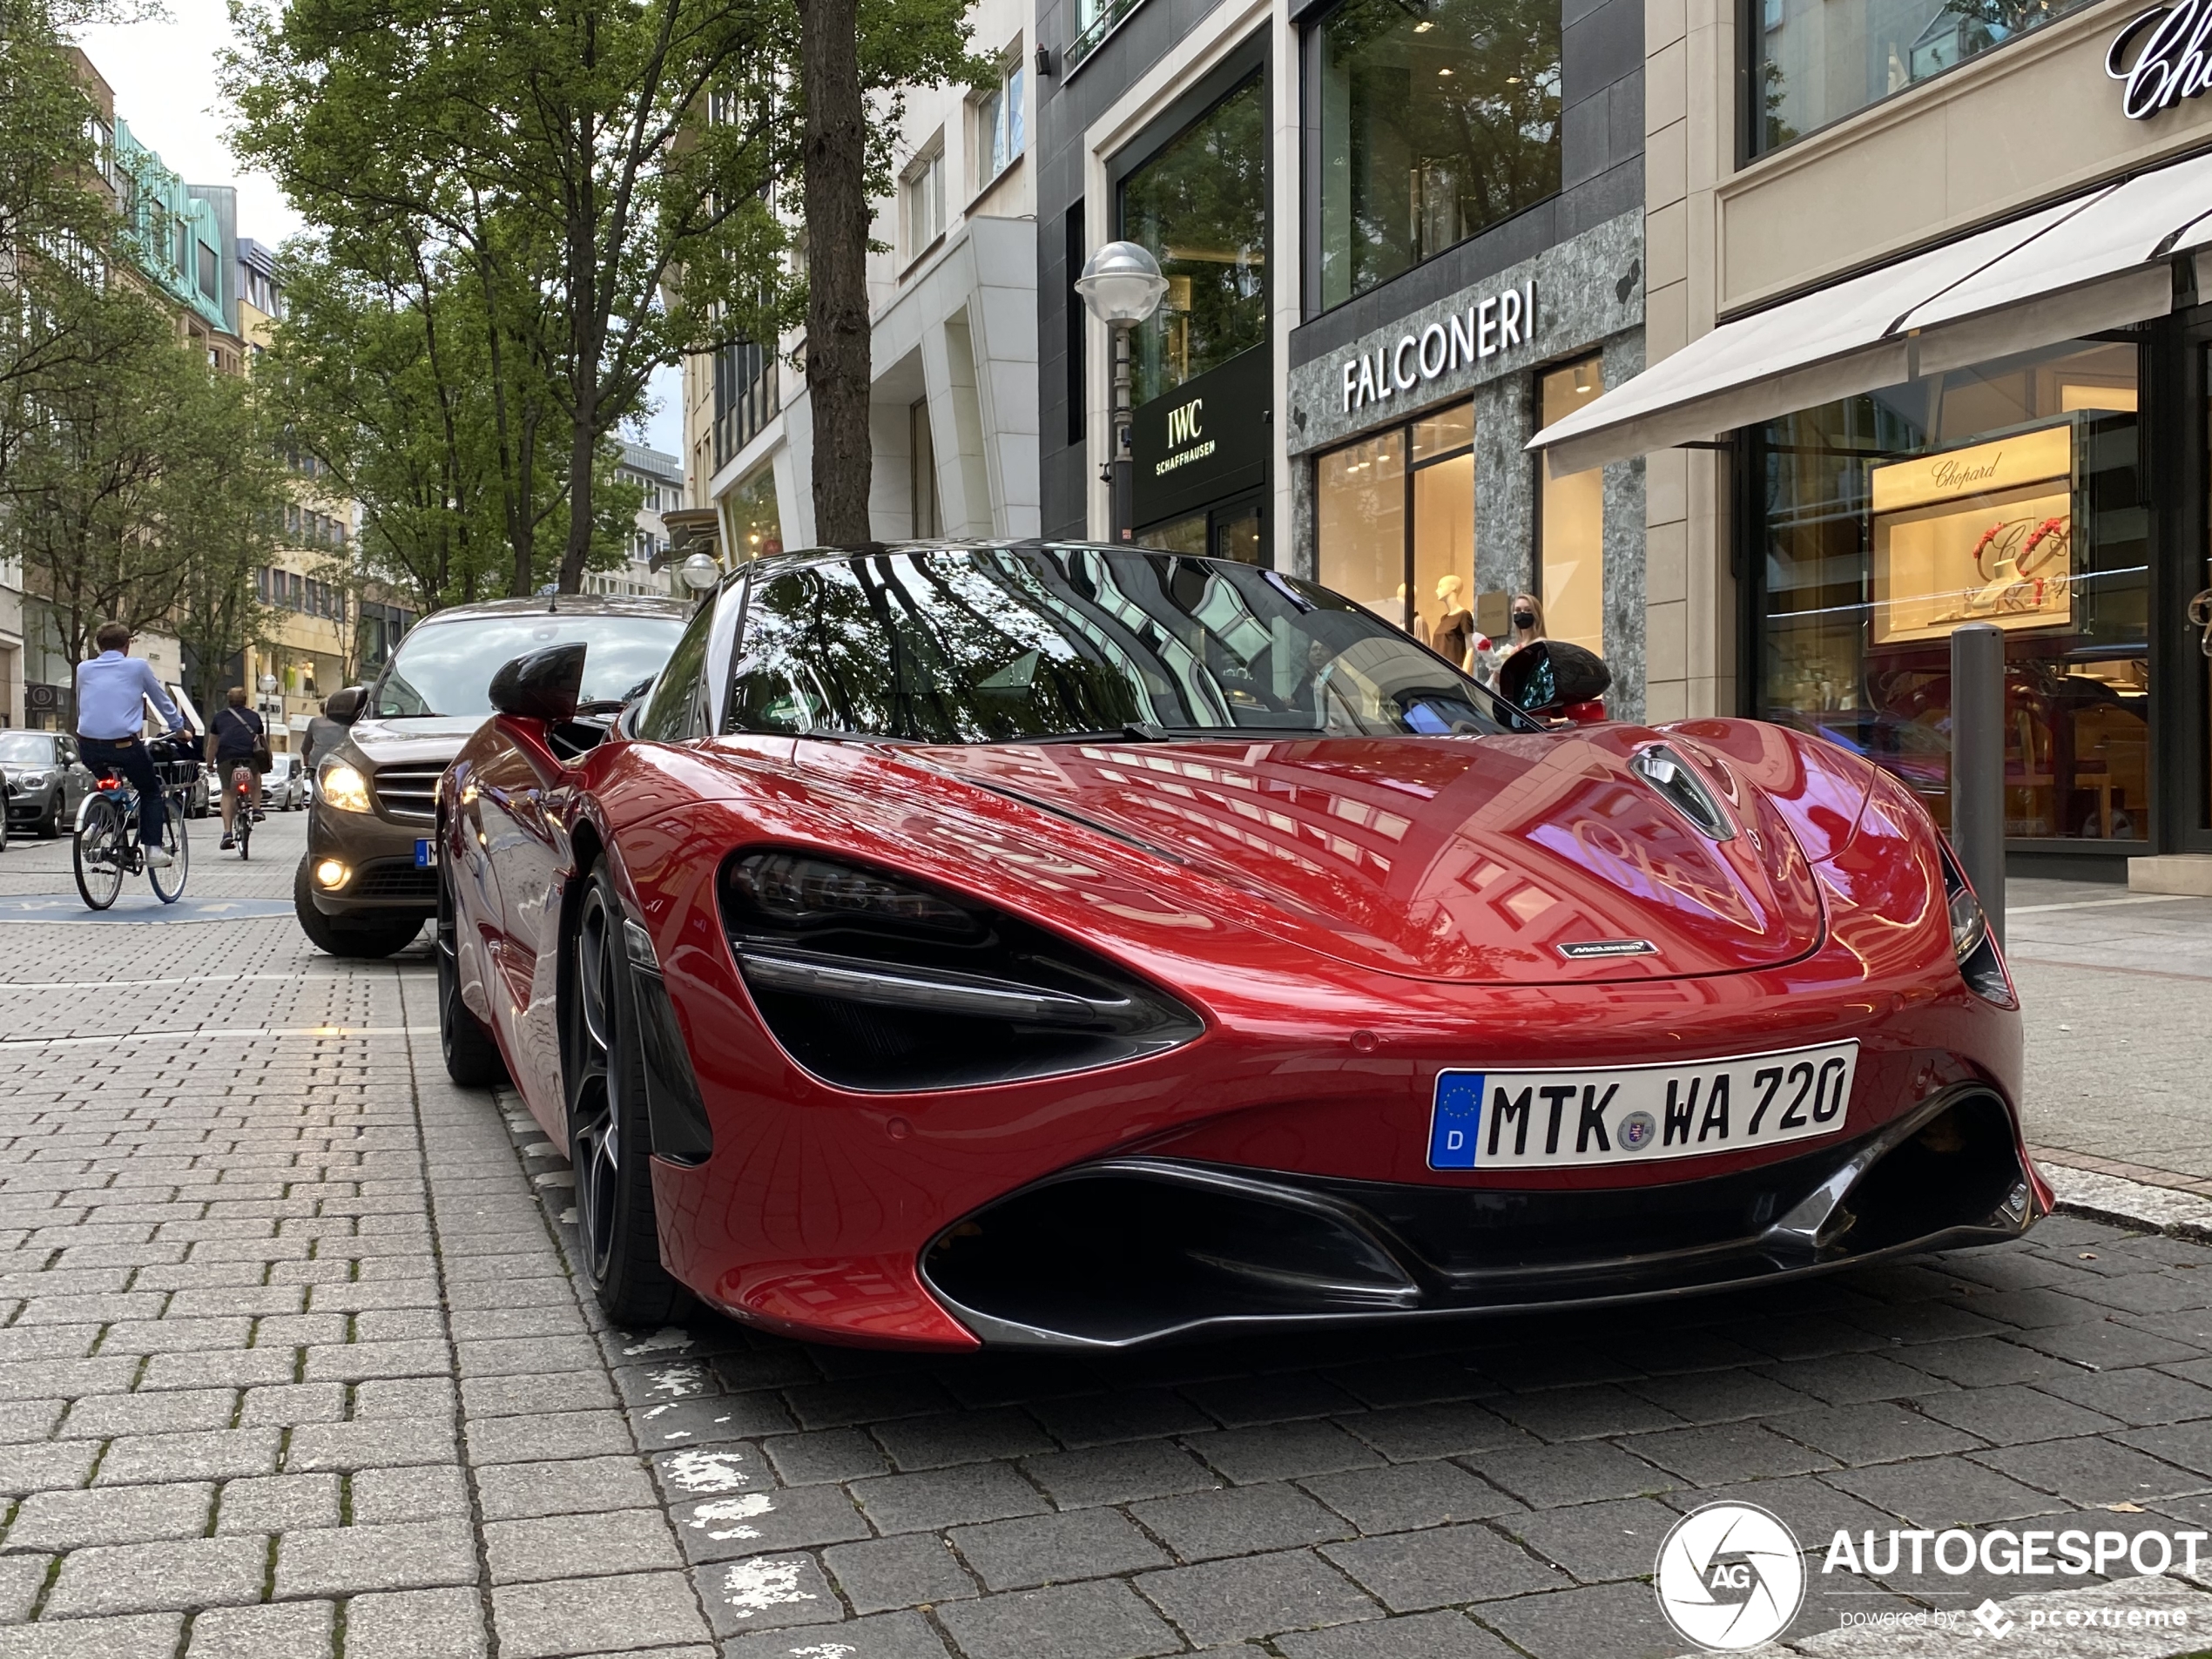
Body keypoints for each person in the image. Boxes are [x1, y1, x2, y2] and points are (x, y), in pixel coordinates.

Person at [73, 622, 192, 868]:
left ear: (98, 645)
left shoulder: (83, 669)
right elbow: (162, 701)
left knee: (109, 785)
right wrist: (179, 729)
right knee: (150, 791)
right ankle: (153, 850)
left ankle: (96, 826)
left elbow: (82, 705)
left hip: (87, 746)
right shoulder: (138, 667)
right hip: (123, 745)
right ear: (127, 646)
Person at [206, 686, 266, 850]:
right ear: (245, 700)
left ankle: (227, 833)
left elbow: (213, 744)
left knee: (227, 792)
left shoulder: (219, 718)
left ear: (229, 701)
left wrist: (210, 763)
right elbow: (261, 739)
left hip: (226, 758)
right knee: (256, 776)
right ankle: (256, 808)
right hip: (249, 756)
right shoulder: (254, 717)